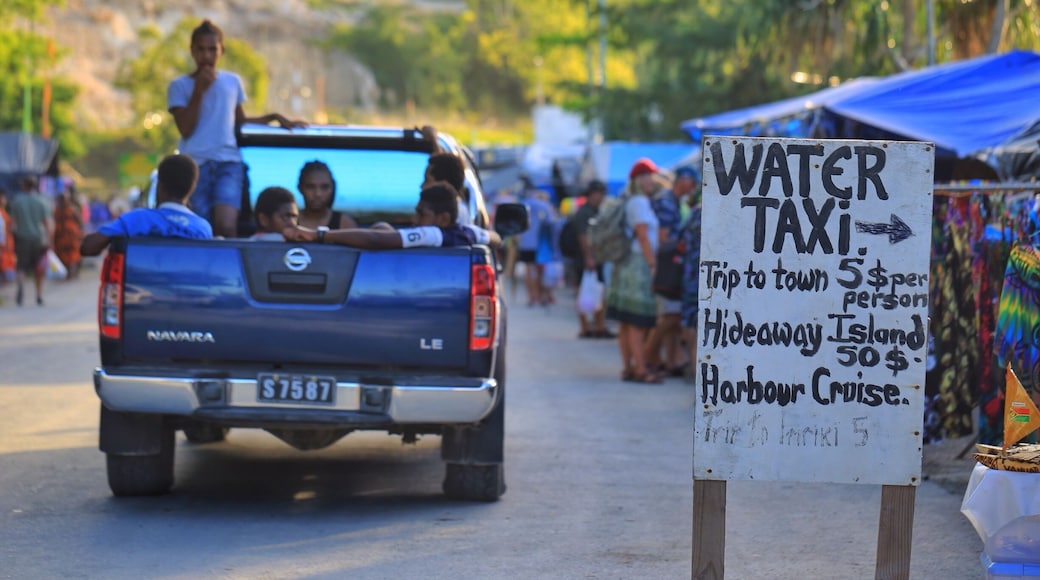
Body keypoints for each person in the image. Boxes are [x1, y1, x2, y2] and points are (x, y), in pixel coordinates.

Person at [167, 19, 306, 238]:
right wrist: (199, 91)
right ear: (192, 51)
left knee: (227, 225)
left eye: (212, 49)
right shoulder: (180, 86)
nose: (207, 56)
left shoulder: (232, 82)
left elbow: (238, 121)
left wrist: (274, 118)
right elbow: (185, 128)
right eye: (201, 50)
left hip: (228, 162)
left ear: (221, 50)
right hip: (196, 164)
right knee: (201, 227)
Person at [282, 182, 500, 249]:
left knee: (380, 228)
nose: (415, 220)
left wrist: (318, 235)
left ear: (442, 219)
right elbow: (495, 238)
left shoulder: (433, 234)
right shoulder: (469, 232)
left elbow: (375, 239)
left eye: (421, 214)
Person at [80, 154, 212, 256]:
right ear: (192, 188)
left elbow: (88, 247)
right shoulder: (203, 228)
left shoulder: (137, 219)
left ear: (159, 186)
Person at [605, 158, 662, 383]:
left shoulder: (630, 200)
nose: (652, 180)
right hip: (638, 264)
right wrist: (652, 263)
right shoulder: (639, 202)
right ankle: (640, 369)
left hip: (627, 263)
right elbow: (642, 234)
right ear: (640, 179)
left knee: (627, 321)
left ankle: (629, 367)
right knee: (637, 321)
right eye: (649, 175)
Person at [644, 165, 697, 377]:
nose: (693, 188)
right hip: (668, 265)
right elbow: (663, 237)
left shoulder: (673, 201)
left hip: (671, 263)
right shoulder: (667, 202)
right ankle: (648, 356)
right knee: (670, 316)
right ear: (683, 181)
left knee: (672, 318)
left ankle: (668, 360)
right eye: (692, 183)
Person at [572, 180, 614, 338]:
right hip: (584, 259)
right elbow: (583, 236)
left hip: (597, 258)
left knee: (598, 293)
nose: (601, 197)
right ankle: (585, 327)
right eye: (599, 194)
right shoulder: (584, 212)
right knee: (583, 293)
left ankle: (598, 326)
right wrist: (589, 257)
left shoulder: (597, 211)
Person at [8, 175, 54, 306]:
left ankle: (21, 286)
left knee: (21, 266)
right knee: (39, 268)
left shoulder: (17, 201)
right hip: (39, 239)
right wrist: (50, 240)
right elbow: (47, 223)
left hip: (22, 238)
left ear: (24, 186)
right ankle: (38, 295)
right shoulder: (42, 201)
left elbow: (12, 224)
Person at [515, 180, 557, 306]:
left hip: (525, 243)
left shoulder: (522, 205)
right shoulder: (543, 205)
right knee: (540, 270)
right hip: (540, 243)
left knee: (528, 270)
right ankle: (539, 295)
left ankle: (531, 297)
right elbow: (551, 222)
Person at [296, 160, 357, 230]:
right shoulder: (288, 223)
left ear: (332, 188)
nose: (318, 194)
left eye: (324, 187)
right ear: (300, 188)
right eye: (310, 187)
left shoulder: (346, 224)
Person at [53, 189, 84, 279]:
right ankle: (68, 272)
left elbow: (80, 221)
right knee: (63, 255)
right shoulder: (56, 211)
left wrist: (80, 233)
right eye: (61, 199)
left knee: (75, 254)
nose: (62, 201)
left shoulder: (72, 209)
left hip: (72, 236)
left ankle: (74, 271)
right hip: (61, 237)